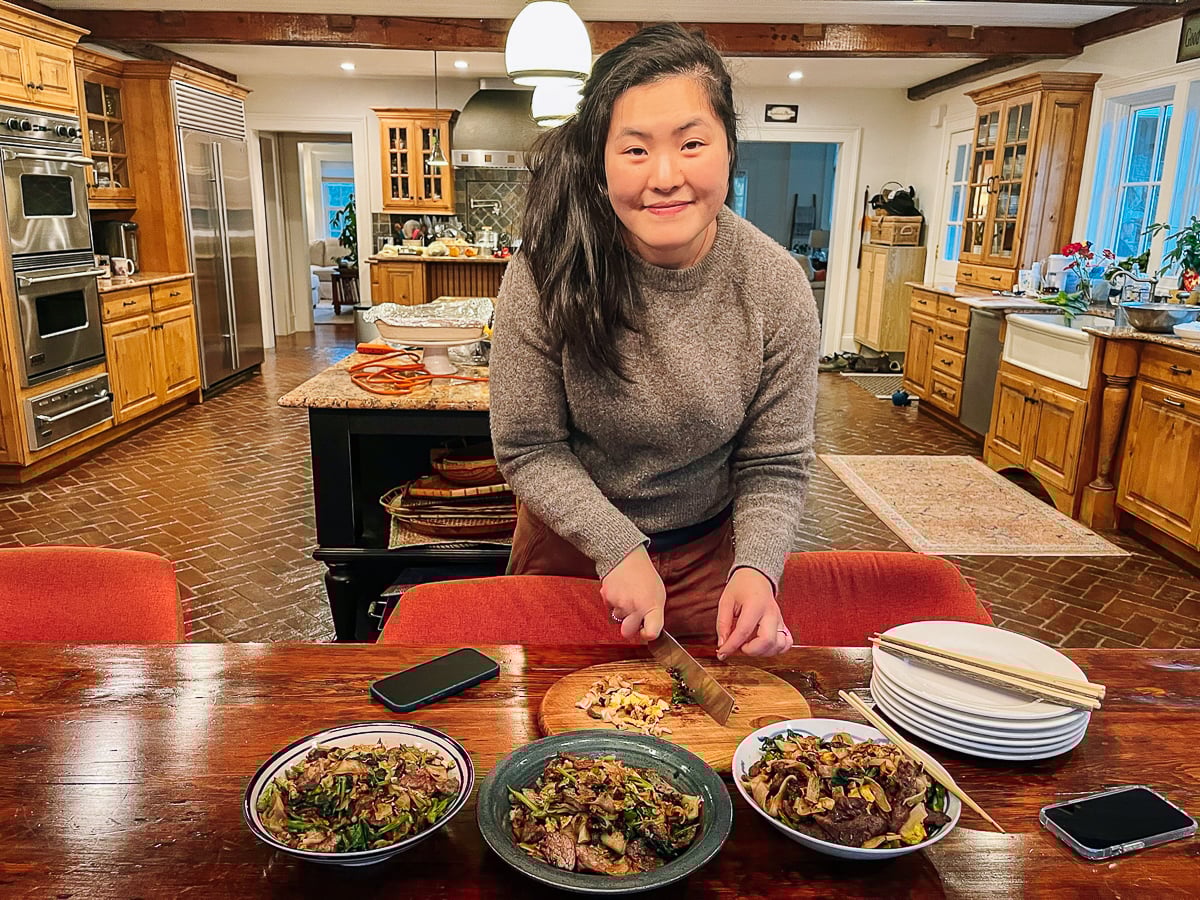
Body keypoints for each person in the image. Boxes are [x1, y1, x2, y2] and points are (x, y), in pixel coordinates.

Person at [489, 23, 819, 659]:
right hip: (572, 546)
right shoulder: (546, 271)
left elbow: (775, 461)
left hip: (708, 561)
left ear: (729, 149)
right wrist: (615, 545)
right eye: (635, 150)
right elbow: (528, 446)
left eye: (692, 143)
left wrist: (757, 568)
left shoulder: (775, 284)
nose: (665, 176)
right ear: (602, 161)